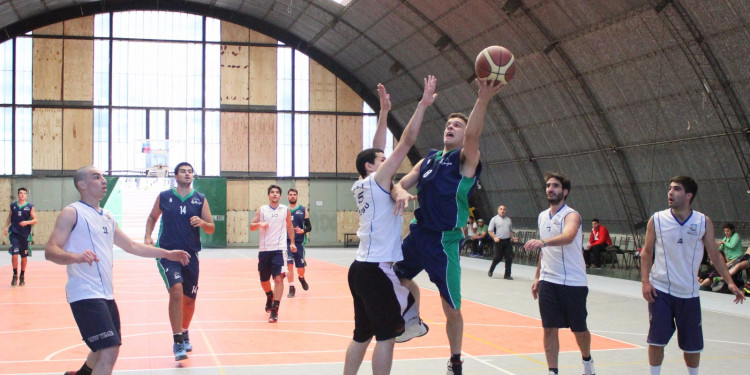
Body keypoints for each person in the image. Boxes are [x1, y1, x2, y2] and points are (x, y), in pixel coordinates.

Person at [392, 78, 504, 374]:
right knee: (393, 275)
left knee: (451, 307)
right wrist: (401, 191)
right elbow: (400, 183)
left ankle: (455, 359)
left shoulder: (465, 160)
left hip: (444, 242)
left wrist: (482, 98)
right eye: (448, 124)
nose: (450, 126)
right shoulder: (429, 160)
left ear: (466, 134)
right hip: (418, 235)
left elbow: (475, 133)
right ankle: (413, 319)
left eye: (457, 125)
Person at [46, 166, 190, 375]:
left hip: (106, 295)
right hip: (85, 294)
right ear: (82, 185)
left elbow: (132, 246)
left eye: (103, 177)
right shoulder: (72, 212)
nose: (104, 181)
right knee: (109, 350)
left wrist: (167, 253)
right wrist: (75, 257)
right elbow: (50, 251)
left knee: (100, 349)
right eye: (97, 177)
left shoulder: (107, 216)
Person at [344, 76, 436, 375]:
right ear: (372, 167)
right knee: (387, 337)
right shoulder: (378, 180)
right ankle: (411, 322)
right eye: (382, 160)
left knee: (362, 334)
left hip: (359, 269)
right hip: (376, 270)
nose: (387, 161)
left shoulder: (362, 184)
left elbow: (375, 148)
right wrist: (422, 104)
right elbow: (406, 141)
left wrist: (383, 112)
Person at [640, 176, 745, 375]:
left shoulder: (703, 221)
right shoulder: (657, 219)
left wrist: (730, 282)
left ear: (688, 196)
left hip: (689, 292)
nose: (670, 192)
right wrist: (645, 282)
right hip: (660, 289)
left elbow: (714, 254)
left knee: (692, 344)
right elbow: (647, 252)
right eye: (670, 188)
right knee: (656, 340)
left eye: (676, 189)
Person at [524, 172, 596, 375]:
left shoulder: (571, 215)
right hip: (549, 280)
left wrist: (544, 242)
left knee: (579, 330)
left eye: (555, 186)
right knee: (549, 328)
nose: (550, 189)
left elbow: (568, 235)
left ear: (564, 191)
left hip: (573, 282)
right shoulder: (542, 216)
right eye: (548, 185)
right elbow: (543, 250)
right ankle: (553, 371)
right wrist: (538, 276)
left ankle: (587, 361)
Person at [145, 162, 215, 361]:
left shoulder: (200, 199)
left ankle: (184, 331)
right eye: (183, 171)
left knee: (189, 299)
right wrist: (147, 236)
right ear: (175, 176)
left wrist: (202, 223)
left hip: (190, 255)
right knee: (176, 290)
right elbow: (152, 217)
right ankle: (177, 341)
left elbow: (211, 228)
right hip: (167, 253)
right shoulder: (165, 196)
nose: (187, 174)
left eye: (190, 171)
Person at [250, 185, 296, 323]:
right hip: (264, 250)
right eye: (272, 192)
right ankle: (269, 295)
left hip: (279, 249)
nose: (275, 194)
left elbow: (289, 226)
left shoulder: (285, 210)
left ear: (280, 196)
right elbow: (251, 226)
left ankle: (275, 310)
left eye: (277, 192)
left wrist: (292, 242)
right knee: (264, 281)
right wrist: (259, 224)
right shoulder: (262, 210)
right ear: (268, 195)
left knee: (278, 279)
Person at [4, 187, 37, 286]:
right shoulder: (13, 206)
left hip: (25, 235)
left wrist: (27, 222)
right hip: (14, 234)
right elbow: (9, 217)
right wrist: (6, 227)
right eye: (20, 193)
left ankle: (22, 275)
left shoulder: (30, 206)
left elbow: (35, 220)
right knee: (14, 254)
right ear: (18, 195)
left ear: (26, 196)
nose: (22, 195)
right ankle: (15, 275)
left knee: (23, 257)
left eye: (24, 193)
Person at [286, 188, 311, 298]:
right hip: (286, 242)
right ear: (287, 196)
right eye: (290, 194)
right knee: (289, 264)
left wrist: (303, 230)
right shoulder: (284, 210)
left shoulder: (303, 209)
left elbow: (309, 227)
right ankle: (291, 287)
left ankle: (301, 278)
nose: (292, 196)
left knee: (300, 268)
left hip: (299, 242)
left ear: (297, 196)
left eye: (294, 194)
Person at [487, 205, 517, 280]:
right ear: (498, 210)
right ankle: (491, 270)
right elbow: (490, 231)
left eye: (504, 209)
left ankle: (507, 274)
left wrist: (513, 238)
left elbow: (510, 231)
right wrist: (494, 237)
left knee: (509, 257)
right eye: (501, 209)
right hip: (498, 241)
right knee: (498, 257)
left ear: (506, 211)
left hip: (507, 241)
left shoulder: (508, 220)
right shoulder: (494, 219)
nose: (502, 210)